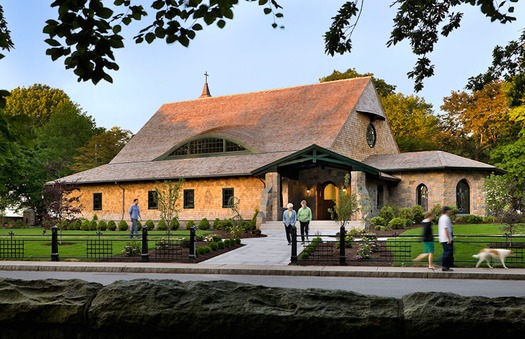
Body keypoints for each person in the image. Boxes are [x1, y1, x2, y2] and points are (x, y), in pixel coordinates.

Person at [438, 206, 454, 271]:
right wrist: (448, 238)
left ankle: (447, 266)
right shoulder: (445, 218)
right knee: (447, 252)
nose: (450, 211)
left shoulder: (442, 218)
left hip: (444, 238)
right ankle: (444, 266)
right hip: (446, 238)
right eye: (449, 210)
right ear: (446, 211)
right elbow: (446, 228)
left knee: (448, 252)